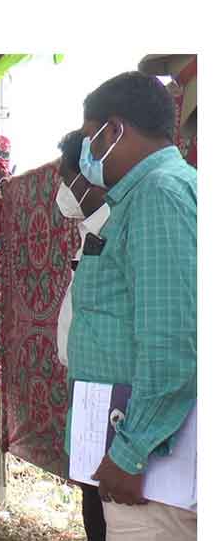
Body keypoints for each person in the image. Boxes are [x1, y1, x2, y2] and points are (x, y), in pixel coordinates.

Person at [67, 72, 197, 540]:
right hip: (153, 464)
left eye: (90, 138)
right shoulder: (155, 194)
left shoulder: (159, 194)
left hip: (160, 477)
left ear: (114, 130)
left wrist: (132, 451)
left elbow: (174, 339)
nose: (89, 153)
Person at [54, 129, 109, 541]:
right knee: (92, 495)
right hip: (89, 382)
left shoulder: (117, 232)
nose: (61, 189)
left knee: (107, 505)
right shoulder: (90, 230)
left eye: (65, 176)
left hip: (111, 388)